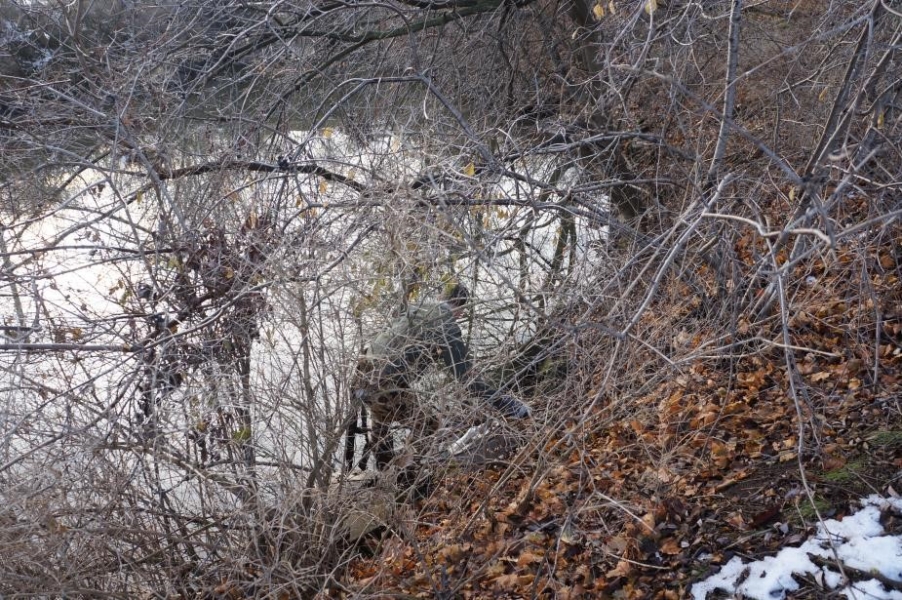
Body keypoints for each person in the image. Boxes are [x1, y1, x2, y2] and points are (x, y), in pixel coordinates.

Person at [348, 284, 530, 470]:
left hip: (363, 371)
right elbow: (467, 380)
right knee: (427, 427)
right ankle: (411, 478)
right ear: (460, 307)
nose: (460, 317)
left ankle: (385, 477)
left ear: (442, 296)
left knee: (382, 423)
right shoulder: (447, 326)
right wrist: (506, 404)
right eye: (463, 312)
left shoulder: (418, 307)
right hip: (385, 381)